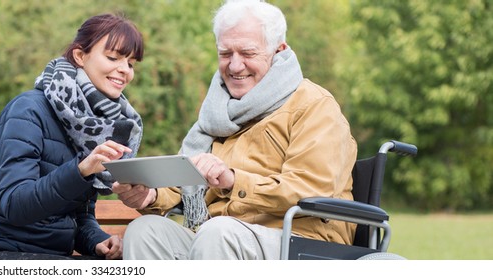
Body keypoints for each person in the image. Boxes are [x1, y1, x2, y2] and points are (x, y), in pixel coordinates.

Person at [112, 0, 357, 260]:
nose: (235, 66)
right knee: (145, 231)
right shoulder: (217, 112)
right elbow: (182, 184)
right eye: (226, 54)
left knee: (217, 232)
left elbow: (311, 188)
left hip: (302, 240)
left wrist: (233, 180)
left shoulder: (314, 105)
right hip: (219, 236)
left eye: (248, 53)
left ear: (279, 50)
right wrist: (149, 195)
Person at [0, 13, 145, 260]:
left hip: (42, 257)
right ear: (80, 56)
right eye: (113, 58)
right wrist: (80, 171)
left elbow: (77, 219)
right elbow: (15, 206)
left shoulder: (96, 126)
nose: (124, 70)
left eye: (131, 63)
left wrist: (98, 242)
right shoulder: (28, 110)